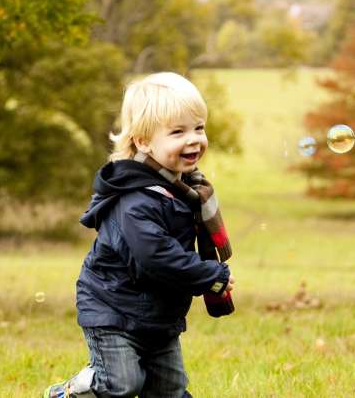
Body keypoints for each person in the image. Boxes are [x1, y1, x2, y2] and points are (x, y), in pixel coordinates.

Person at [43, 72, 235, 398]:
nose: (194, 139)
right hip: (112, 309)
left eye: (198, 128)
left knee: (169, 390)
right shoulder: (135, 198)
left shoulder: (187, 190)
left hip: (158, 315)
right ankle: (65, 395)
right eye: (178, 132)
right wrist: (211, 276)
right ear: (144, 142)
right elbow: (156, 256)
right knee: (122, 384)